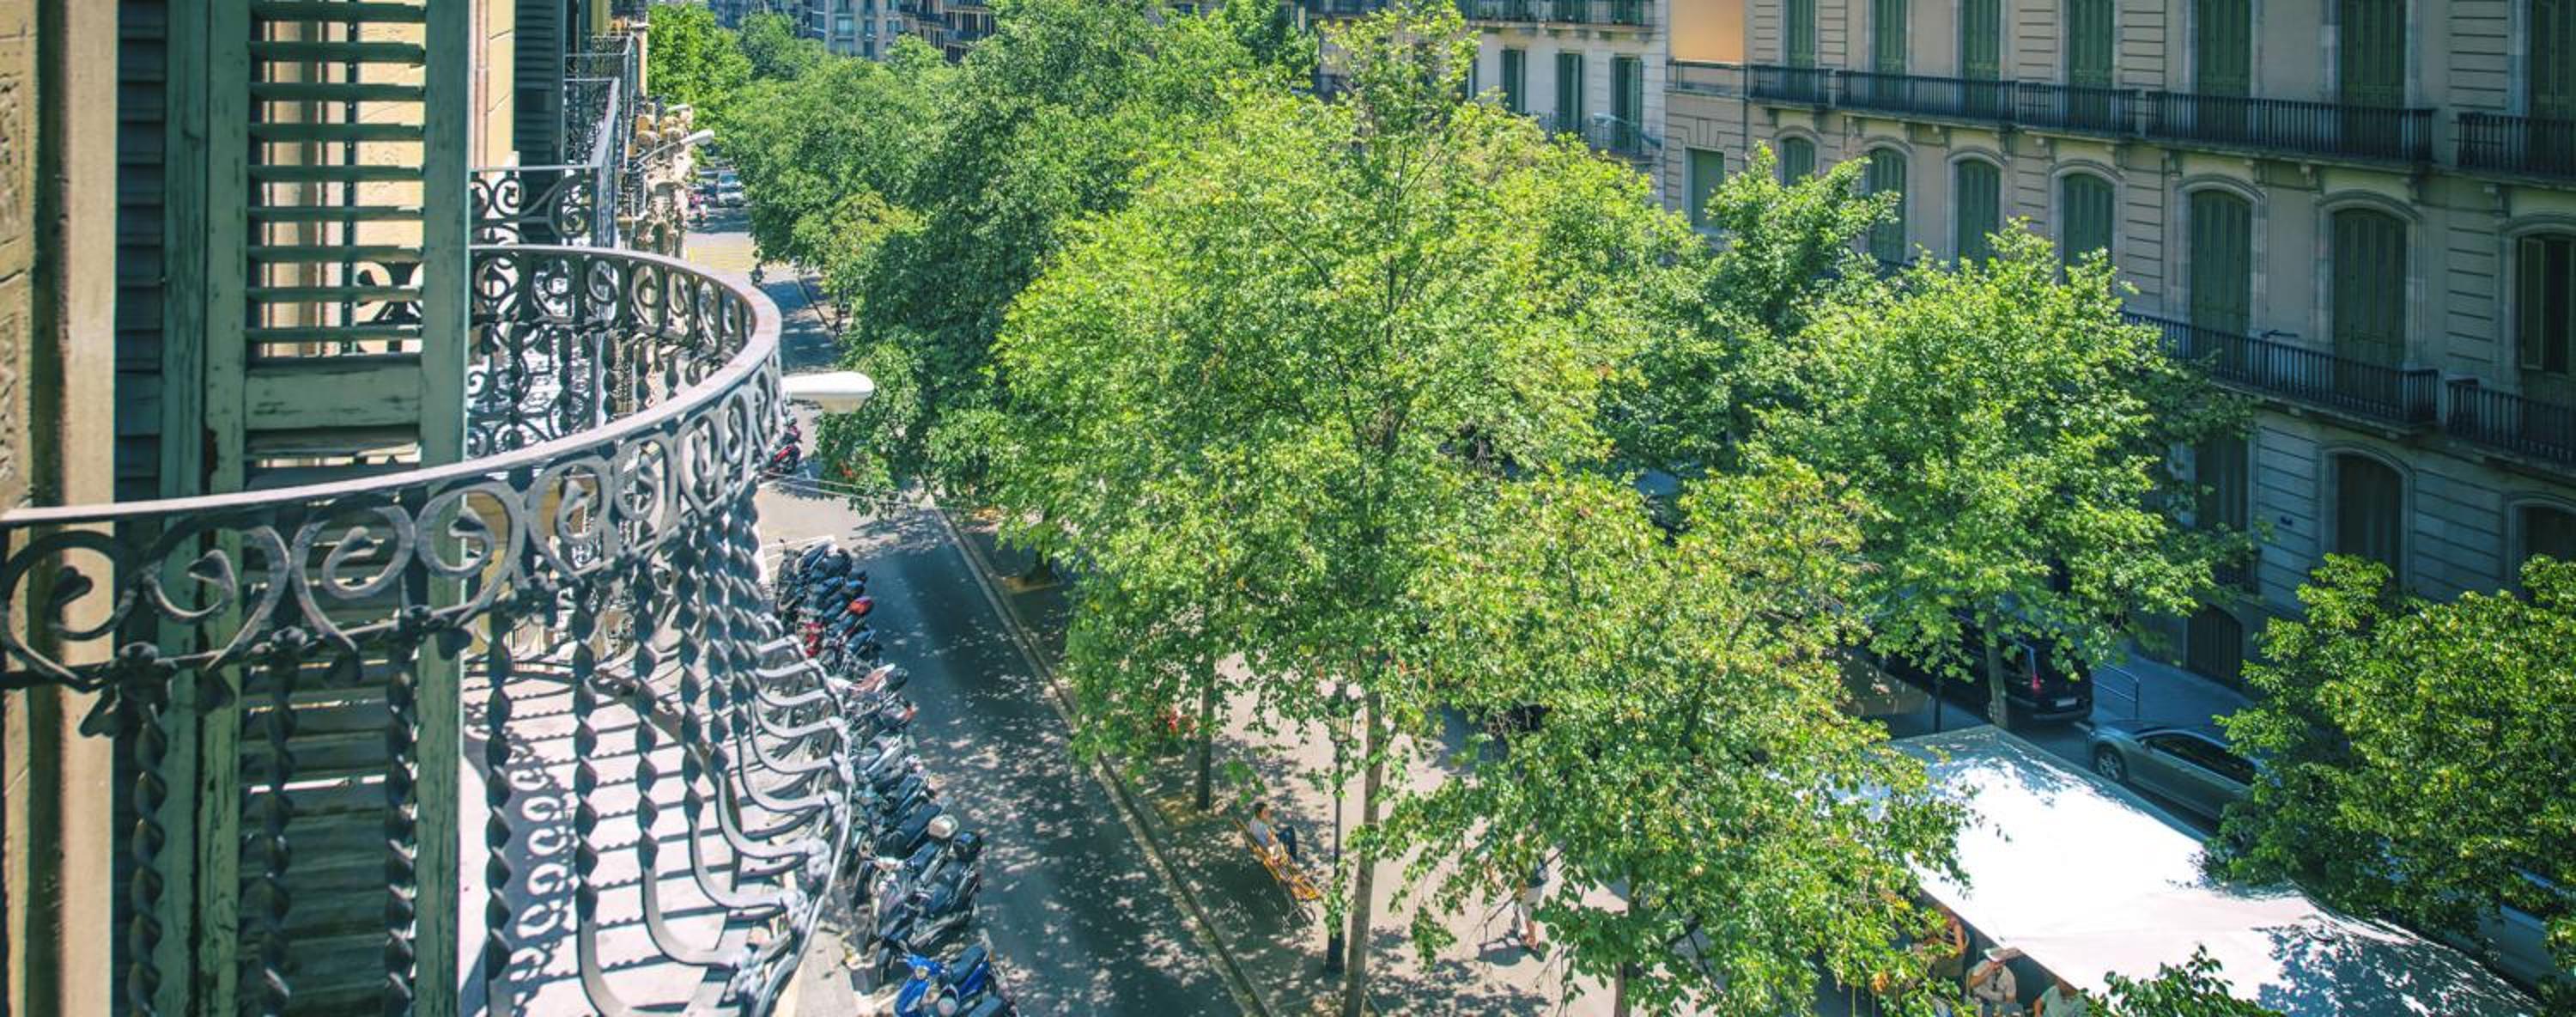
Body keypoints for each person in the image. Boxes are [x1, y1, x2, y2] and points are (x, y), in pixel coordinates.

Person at [1967, 948, 2020, 1016]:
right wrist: (1989, 971)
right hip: (1979, 999)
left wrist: (2001, 1011)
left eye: (2000, 962)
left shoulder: (2009, 976)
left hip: (1996, 1005)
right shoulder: (1982, 965)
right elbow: (1972, 984)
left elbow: (2010, 1000)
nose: (1997, 965)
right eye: (1994, 961)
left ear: (2004, 962)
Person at [1511, 858, 1547, 949]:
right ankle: (1531, 934)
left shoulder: (1522, 855)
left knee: (1528, 913)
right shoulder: (1536, 851)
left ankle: (1532, 940)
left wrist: (1519, 892)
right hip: (1539, 881)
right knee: (1533, 909)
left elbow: (1521, 876)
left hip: (1531, 885)